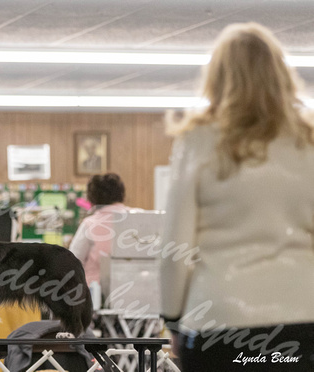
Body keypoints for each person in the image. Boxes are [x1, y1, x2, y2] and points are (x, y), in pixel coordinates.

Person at [160, 23, 314, 371]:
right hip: (302, 315)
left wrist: (171, 319)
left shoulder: (197, 140)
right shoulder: (309, 141)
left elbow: (174, 249)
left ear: (216, 76)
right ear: (281, 74)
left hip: (217, 318)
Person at [69, 173, 134, 285]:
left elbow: (72, 263)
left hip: (97, 293)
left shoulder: (89, 224)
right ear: (122, 194)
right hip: (135, 288)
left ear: (92, 197)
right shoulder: (139, 217)